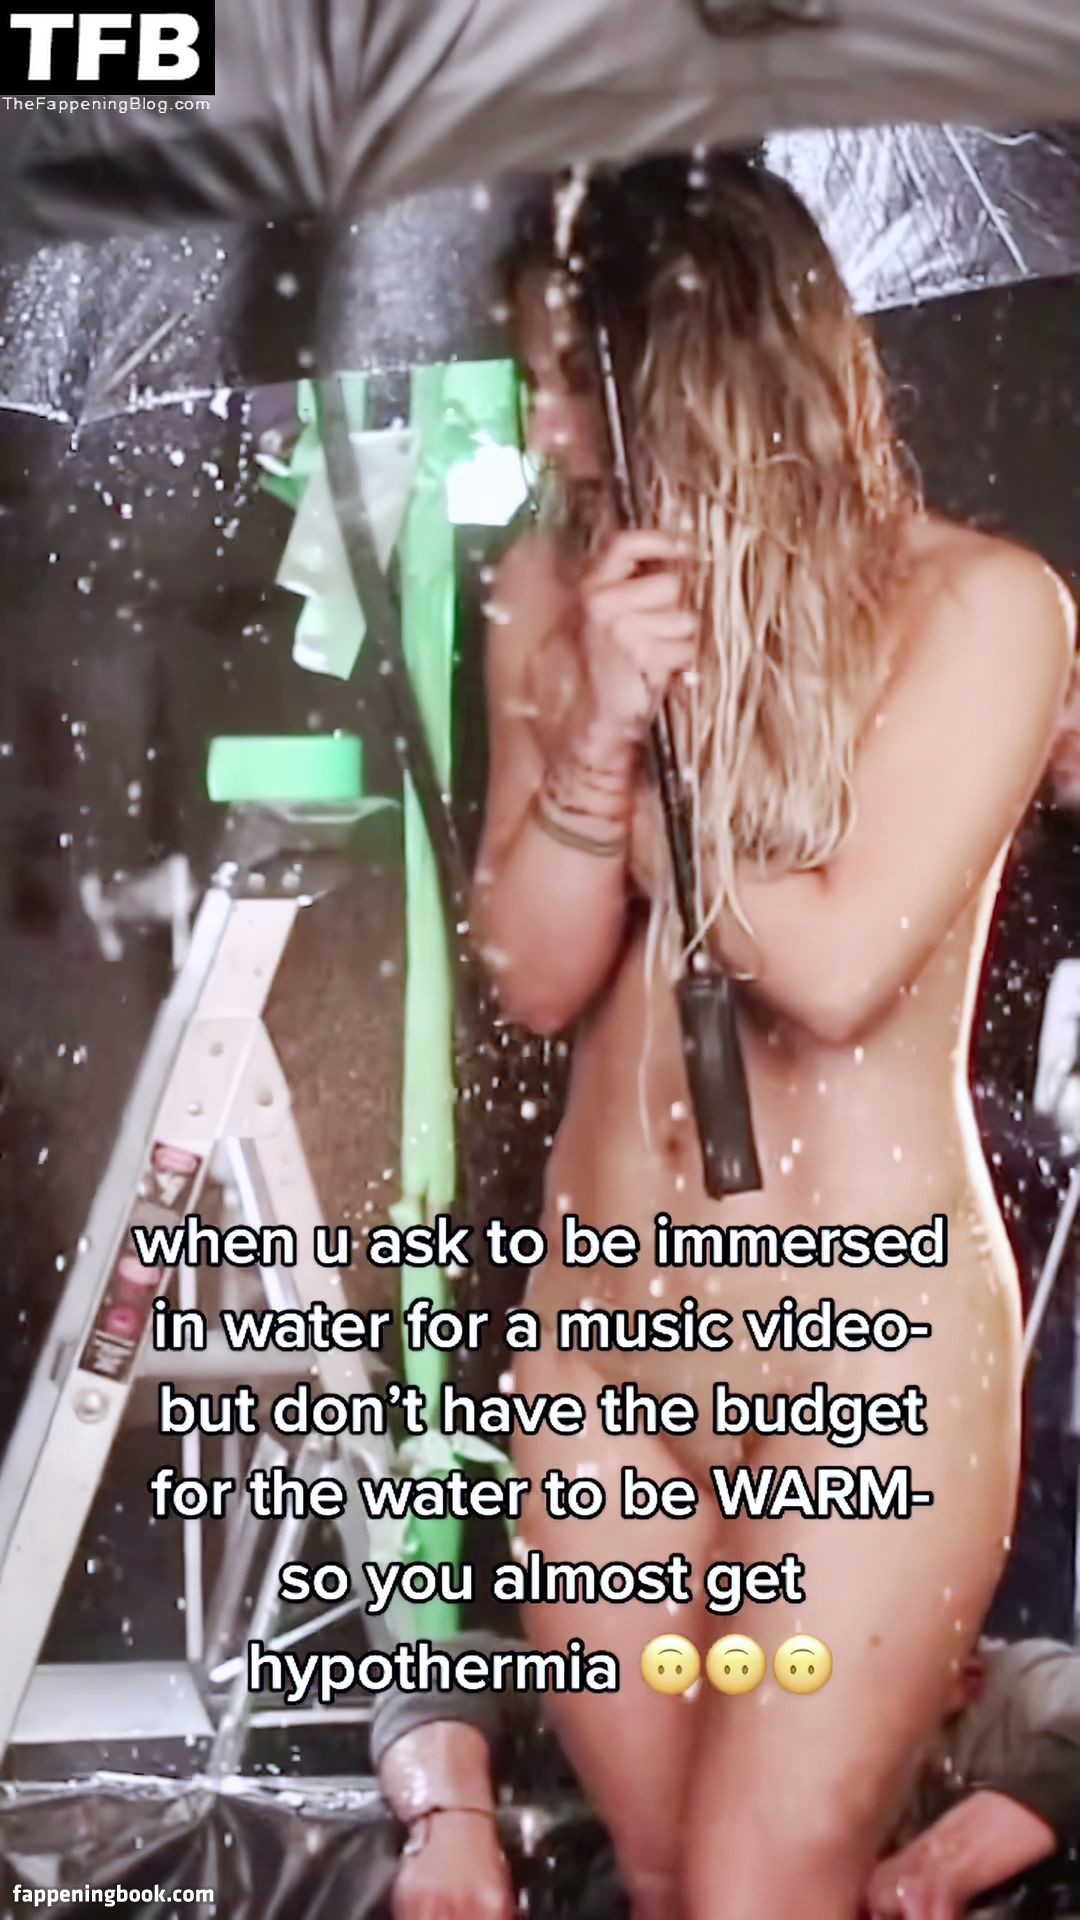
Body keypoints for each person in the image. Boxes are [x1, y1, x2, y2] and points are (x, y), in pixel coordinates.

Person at [469, 153, 1077, 1920]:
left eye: (570, 380)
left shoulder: (984, 606)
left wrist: (673, 760)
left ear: (702, 372)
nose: (543, 425)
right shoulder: (553, 595)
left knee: (759, 1892)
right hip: (605, 1371)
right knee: (676, 1888)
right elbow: (532, 973)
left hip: (862, 1374)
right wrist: (593, 733)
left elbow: (833, 966)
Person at [372, 1630, 1080, 1920]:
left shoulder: (1003, 1701)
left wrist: (955, 1852)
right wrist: (448, 1821)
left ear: (959, 1684)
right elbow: (447, 1668)